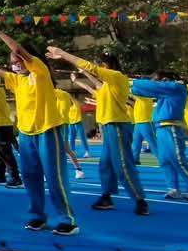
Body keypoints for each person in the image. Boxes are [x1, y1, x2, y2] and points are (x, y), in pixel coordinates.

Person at [0, 24, 81, 234]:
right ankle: (38, 216)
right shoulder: (16, 80)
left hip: (48, 131)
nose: (15, 64)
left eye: (18, 61)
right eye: (13, 63)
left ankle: (67, 220)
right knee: (30, 177)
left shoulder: (40, 71)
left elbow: (18, 49)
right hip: (26, 134)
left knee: (54, 177)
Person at [46, 45, 149, 216]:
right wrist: (83, 73)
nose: (97, 68)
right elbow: (95, 80)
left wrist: (63, 54)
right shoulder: (108, 84)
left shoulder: (117, 77)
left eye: (100, 65)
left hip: (117, 126)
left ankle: (140, 200)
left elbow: (91, 68)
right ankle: (107, 197)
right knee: (106, 164)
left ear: (106, 65)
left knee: (122, 164)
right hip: (109, 126)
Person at [132, 72, 188, 201]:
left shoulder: (176, 86)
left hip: (171, 127)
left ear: (165, 79)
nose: (155, 83)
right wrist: (132, 84)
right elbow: (138, 90)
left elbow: (143, 86)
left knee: (178, 160)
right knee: (165, 160)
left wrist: (131, 81)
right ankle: (173, 188)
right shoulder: (166, 90)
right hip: (161, 128)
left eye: (156, 80)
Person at [131, 95, 157, 165]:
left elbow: (133, 93)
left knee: (153, 143)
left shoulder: (146, 97)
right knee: (136, 143)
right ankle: (135, 159)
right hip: (138, 123)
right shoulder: (140, 99)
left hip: (145, 122)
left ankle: (163, 160)